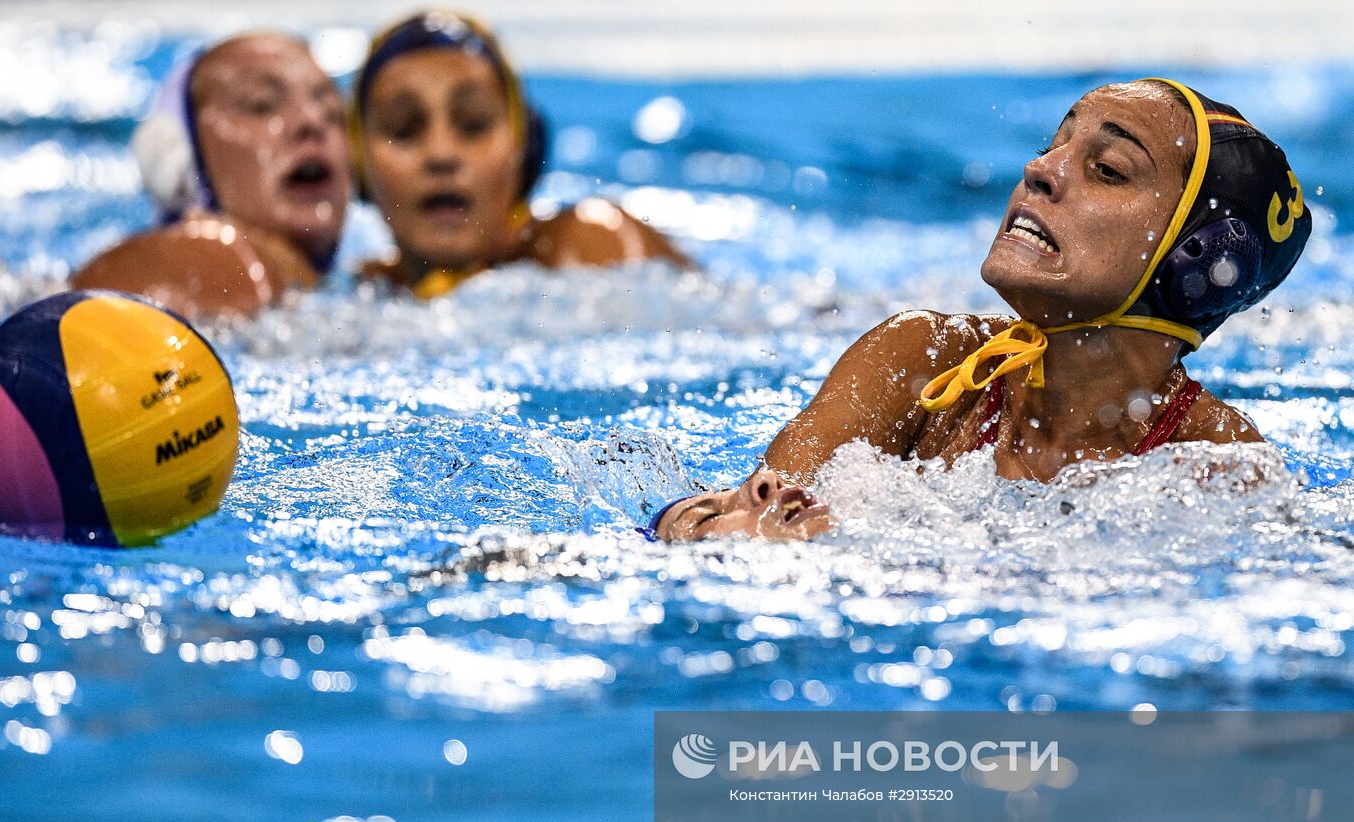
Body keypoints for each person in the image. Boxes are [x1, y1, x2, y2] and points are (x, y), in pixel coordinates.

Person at [652, 78, 1310, 542]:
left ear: (1196, 260)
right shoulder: (922, 360)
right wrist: (689, 523)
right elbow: (754, 517)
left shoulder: (1214, 461)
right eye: (1055, 144)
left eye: (1107, 169)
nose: (1039, 169)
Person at [349, 11, 685, 298]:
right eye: (404, 130)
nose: (441, 153)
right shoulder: (367, 287)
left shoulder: (591, 245)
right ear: (358, 165)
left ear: (524, 148)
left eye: (474, 125)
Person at [72, 32, 352, 317]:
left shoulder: (338, 280)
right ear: (178, 156)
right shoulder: (211, 257)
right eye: (261, 105)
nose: (313, 121)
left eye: (330, 110)